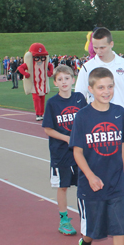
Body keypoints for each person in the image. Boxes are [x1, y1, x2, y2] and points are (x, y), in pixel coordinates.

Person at [69, 67, 124, 245]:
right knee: (93, 230)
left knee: (120, 228)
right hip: (91, 184)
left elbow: (122, 147)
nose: (106, 91)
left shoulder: (119, 113)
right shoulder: (83, 116)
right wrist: (90, 176)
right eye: (101, 87)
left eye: (110, 86)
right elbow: (77, 152)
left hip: (116, 181)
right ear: (90, 89)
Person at [42, 65, 87, 236]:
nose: (64, 82)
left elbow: (85, 121)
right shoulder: (52, 103)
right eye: (60, 79)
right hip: (61, 152)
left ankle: (86, 216)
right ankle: (64, 219)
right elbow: (48, 129)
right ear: (55, 83)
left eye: (67, 78)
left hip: (80, 152)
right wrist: (67, 138)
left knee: (83, 184)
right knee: (63, 186)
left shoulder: (79, 99)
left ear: (73, 80)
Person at [74, 27, 124, 119]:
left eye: (102, 47)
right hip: (95, 117)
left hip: (120, 117)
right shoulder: (87, 67)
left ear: (111, 44)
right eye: (95, 48)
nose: (98, 51)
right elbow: (79, 96)